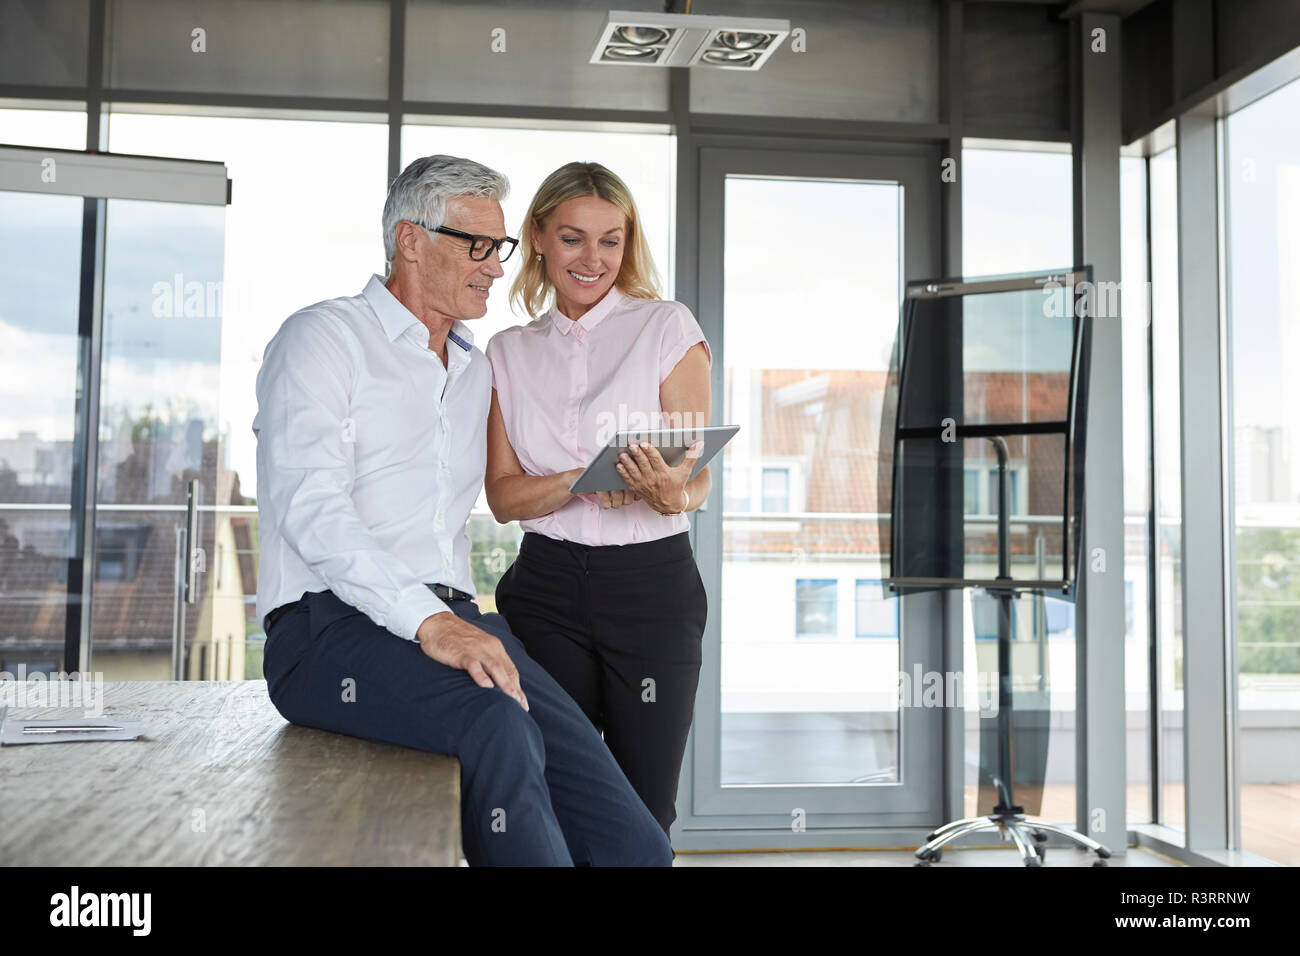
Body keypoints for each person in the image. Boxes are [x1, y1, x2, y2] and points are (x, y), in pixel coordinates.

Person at [253, 154, 672, 867]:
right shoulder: (324, 338)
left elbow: (516, 485)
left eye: (500, 247)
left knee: (632, 841)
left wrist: (621, 472)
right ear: (410, 240)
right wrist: (430, 621)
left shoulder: (478, 370)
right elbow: (311, 504)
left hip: (457, 622)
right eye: (476, 245)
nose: (495, 267)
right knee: (497, 724)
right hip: (326, 630)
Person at [484, 161, 712, 838]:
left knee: (642, 812)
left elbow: (696, 478)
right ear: (538, 239)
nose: (593, 258)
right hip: (547, 589)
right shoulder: (506, 353)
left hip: (652, 591)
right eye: (574, 237)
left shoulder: (667, 328)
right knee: (560, 798)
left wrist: (671, 495)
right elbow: (502, 498)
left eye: (611, 240)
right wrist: (583, 479)